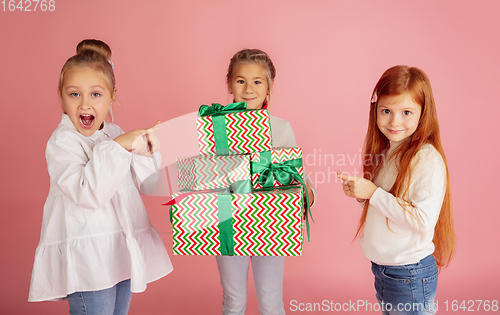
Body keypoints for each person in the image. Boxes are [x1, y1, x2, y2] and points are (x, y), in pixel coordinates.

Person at [28, 39, 173, 315]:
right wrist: (120, 146)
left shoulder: (114, 132)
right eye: (74, 94)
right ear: (61, 95)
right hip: (88, 259)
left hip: (119, 249)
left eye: (95, 94)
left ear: (112, 95)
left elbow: (144, 182)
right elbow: (88, 193)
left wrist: (145, 150)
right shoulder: (62, 143)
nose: (84, 104)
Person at [337, 65, 455, 314]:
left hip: (409, 272)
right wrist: (362, 195)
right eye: (386, 111)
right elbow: (385, 207)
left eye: (406, 112)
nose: (394, 121)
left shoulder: (425, 158)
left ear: (423, 113)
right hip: (385, 270)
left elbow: (422, 221)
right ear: (375, 110)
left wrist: (373, 193)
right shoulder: (387, 151)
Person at [216, 48, 315, 315]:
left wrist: (304, 193)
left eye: (257, 81)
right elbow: (202, 177)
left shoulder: (280, 128)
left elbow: (297, 178)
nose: (249, 88)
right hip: (228, 223)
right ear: (229, 84)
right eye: (241, 81)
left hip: (269, 224)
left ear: (269, 86)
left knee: (271, 301)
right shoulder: (214, 128)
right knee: (233, 300)